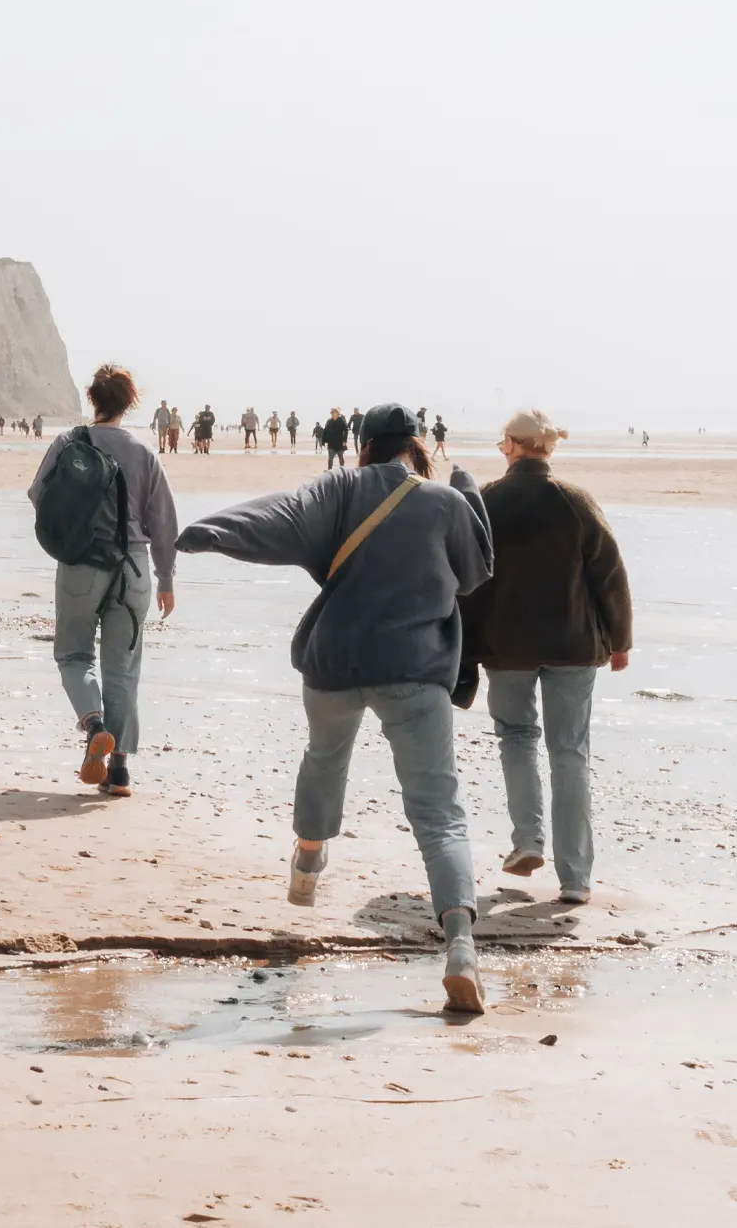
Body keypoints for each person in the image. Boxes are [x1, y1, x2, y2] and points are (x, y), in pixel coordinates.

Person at [174, 402, 494, 1014]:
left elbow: (278, 515)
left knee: (325, 760)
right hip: (416, 671)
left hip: (336, 664)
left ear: (364, 445)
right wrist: (469, 495)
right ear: (416, 446)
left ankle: (310, 859)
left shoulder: (339, 489)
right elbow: (476, 573)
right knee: (438, 812)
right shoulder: (443, 502)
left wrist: (207, 531)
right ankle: (459, 949)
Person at [459, 410, 631, 905]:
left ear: (513, 445)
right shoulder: (575, 500)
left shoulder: (488, 500)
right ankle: (575, 879)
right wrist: (620, 639)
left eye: (502, 444)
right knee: (570, 753)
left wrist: (464, 648)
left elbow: (467, 578)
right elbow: (609, 573)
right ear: (549, 449)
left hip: (507, 647)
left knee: (516, 738)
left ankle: (527, 840)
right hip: (573, 645)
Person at [28, 364, 179, 800]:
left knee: (74, 654)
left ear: (92, 399)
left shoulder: (70, 442)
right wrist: (166, 578)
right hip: (132, 569)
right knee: (124, 669)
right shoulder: (144, 451)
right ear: (129, 402)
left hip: (81, 562)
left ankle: (94, 725)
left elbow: (39, 494)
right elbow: (163, 521)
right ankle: (120, 772)